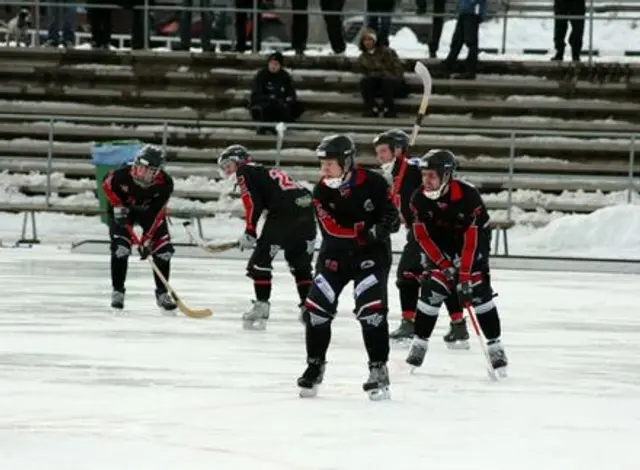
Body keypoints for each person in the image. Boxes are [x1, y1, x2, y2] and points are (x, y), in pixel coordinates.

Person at [297, 134, 400, 401]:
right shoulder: (321, 191)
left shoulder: (374, 182)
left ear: (346, 161)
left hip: (371, 259)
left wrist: (386, 223)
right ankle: (315, 365)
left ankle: (378, 368)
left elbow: (392, 216)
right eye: (322, 165)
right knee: (316, 310)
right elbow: (331, 230)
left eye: (329, 164)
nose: (324, 171)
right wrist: (366, 232)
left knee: (371, 312)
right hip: (335, 258)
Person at [406, 149, 508, 375]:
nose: (426, 181)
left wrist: (463, 277)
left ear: (446, 175)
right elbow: (422, 236)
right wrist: (443, 265)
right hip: (440, 248)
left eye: (432, 176)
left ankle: (495, 345)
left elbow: (472, 240)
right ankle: (419, 343)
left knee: (479, 292)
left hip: (472, 246)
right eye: (424, 175)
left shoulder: (468, 196)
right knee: (431, 290)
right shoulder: (418, 199)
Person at [373, 130, 469, 348]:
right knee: (440, 278)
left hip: (433, 231)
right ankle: (458, 325)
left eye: (384, 152)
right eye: (377, 152)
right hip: (418, 231)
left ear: (397, 150)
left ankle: (409, 324)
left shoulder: (415, 170)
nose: (379, 157)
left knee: (406, 274)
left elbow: (443, 180)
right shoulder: (394, 175)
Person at [217, 144, 316, 330]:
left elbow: (253, 204)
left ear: (239, 161)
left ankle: (262, 306)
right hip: (306, 209)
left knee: (259, 262)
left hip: (284, 213)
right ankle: (309, 307)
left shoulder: (245, 171)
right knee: (300, 264)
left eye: (228, 165)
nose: (227, 171)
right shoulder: (264, 170)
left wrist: (250, 231)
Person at [102, 145, 177, 314]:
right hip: (122, 211)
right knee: (121, 249)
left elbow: (158, 213)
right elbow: (106, 186)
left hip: (149, 213)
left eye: (149, 171)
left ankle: (162, 293)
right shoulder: (120, 175)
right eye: (141, 168)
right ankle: (118, 291)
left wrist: (147, 239)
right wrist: (117, 205)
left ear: (157, 172)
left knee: (163, 251)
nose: (143, 174)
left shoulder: (165, 183)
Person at [357, 28, 409, 118]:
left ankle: (388, 108)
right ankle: (372, 108)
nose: (367, 42)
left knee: (387, 82)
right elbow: (366, 73)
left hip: (393, 84)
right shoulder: (363, 57)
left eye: (370, 39)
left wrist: (385, 74)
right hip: (377, 85)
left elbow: (398, 70)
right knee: (366, 82)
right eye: (365, 40)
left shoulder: (388, 52)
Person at [248, 52, 303, 135]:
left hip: (280, 103)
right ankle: (265, 127)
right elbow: (256, 94)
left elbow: (291, 93)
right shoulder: (262, 75)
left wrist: (287, 100)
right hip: (265, 103)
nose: (273, 66)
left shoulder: (284, 76)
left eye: (276, 64)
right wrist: (269, 97)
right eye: (271, 64)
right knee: (266, 108)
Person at [442, 0, 486, 79]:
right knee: (457, 40)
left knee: (470, 41)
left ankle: (470, 70)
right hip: (466, 11)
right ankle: (449, 65)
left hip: (472, 11)